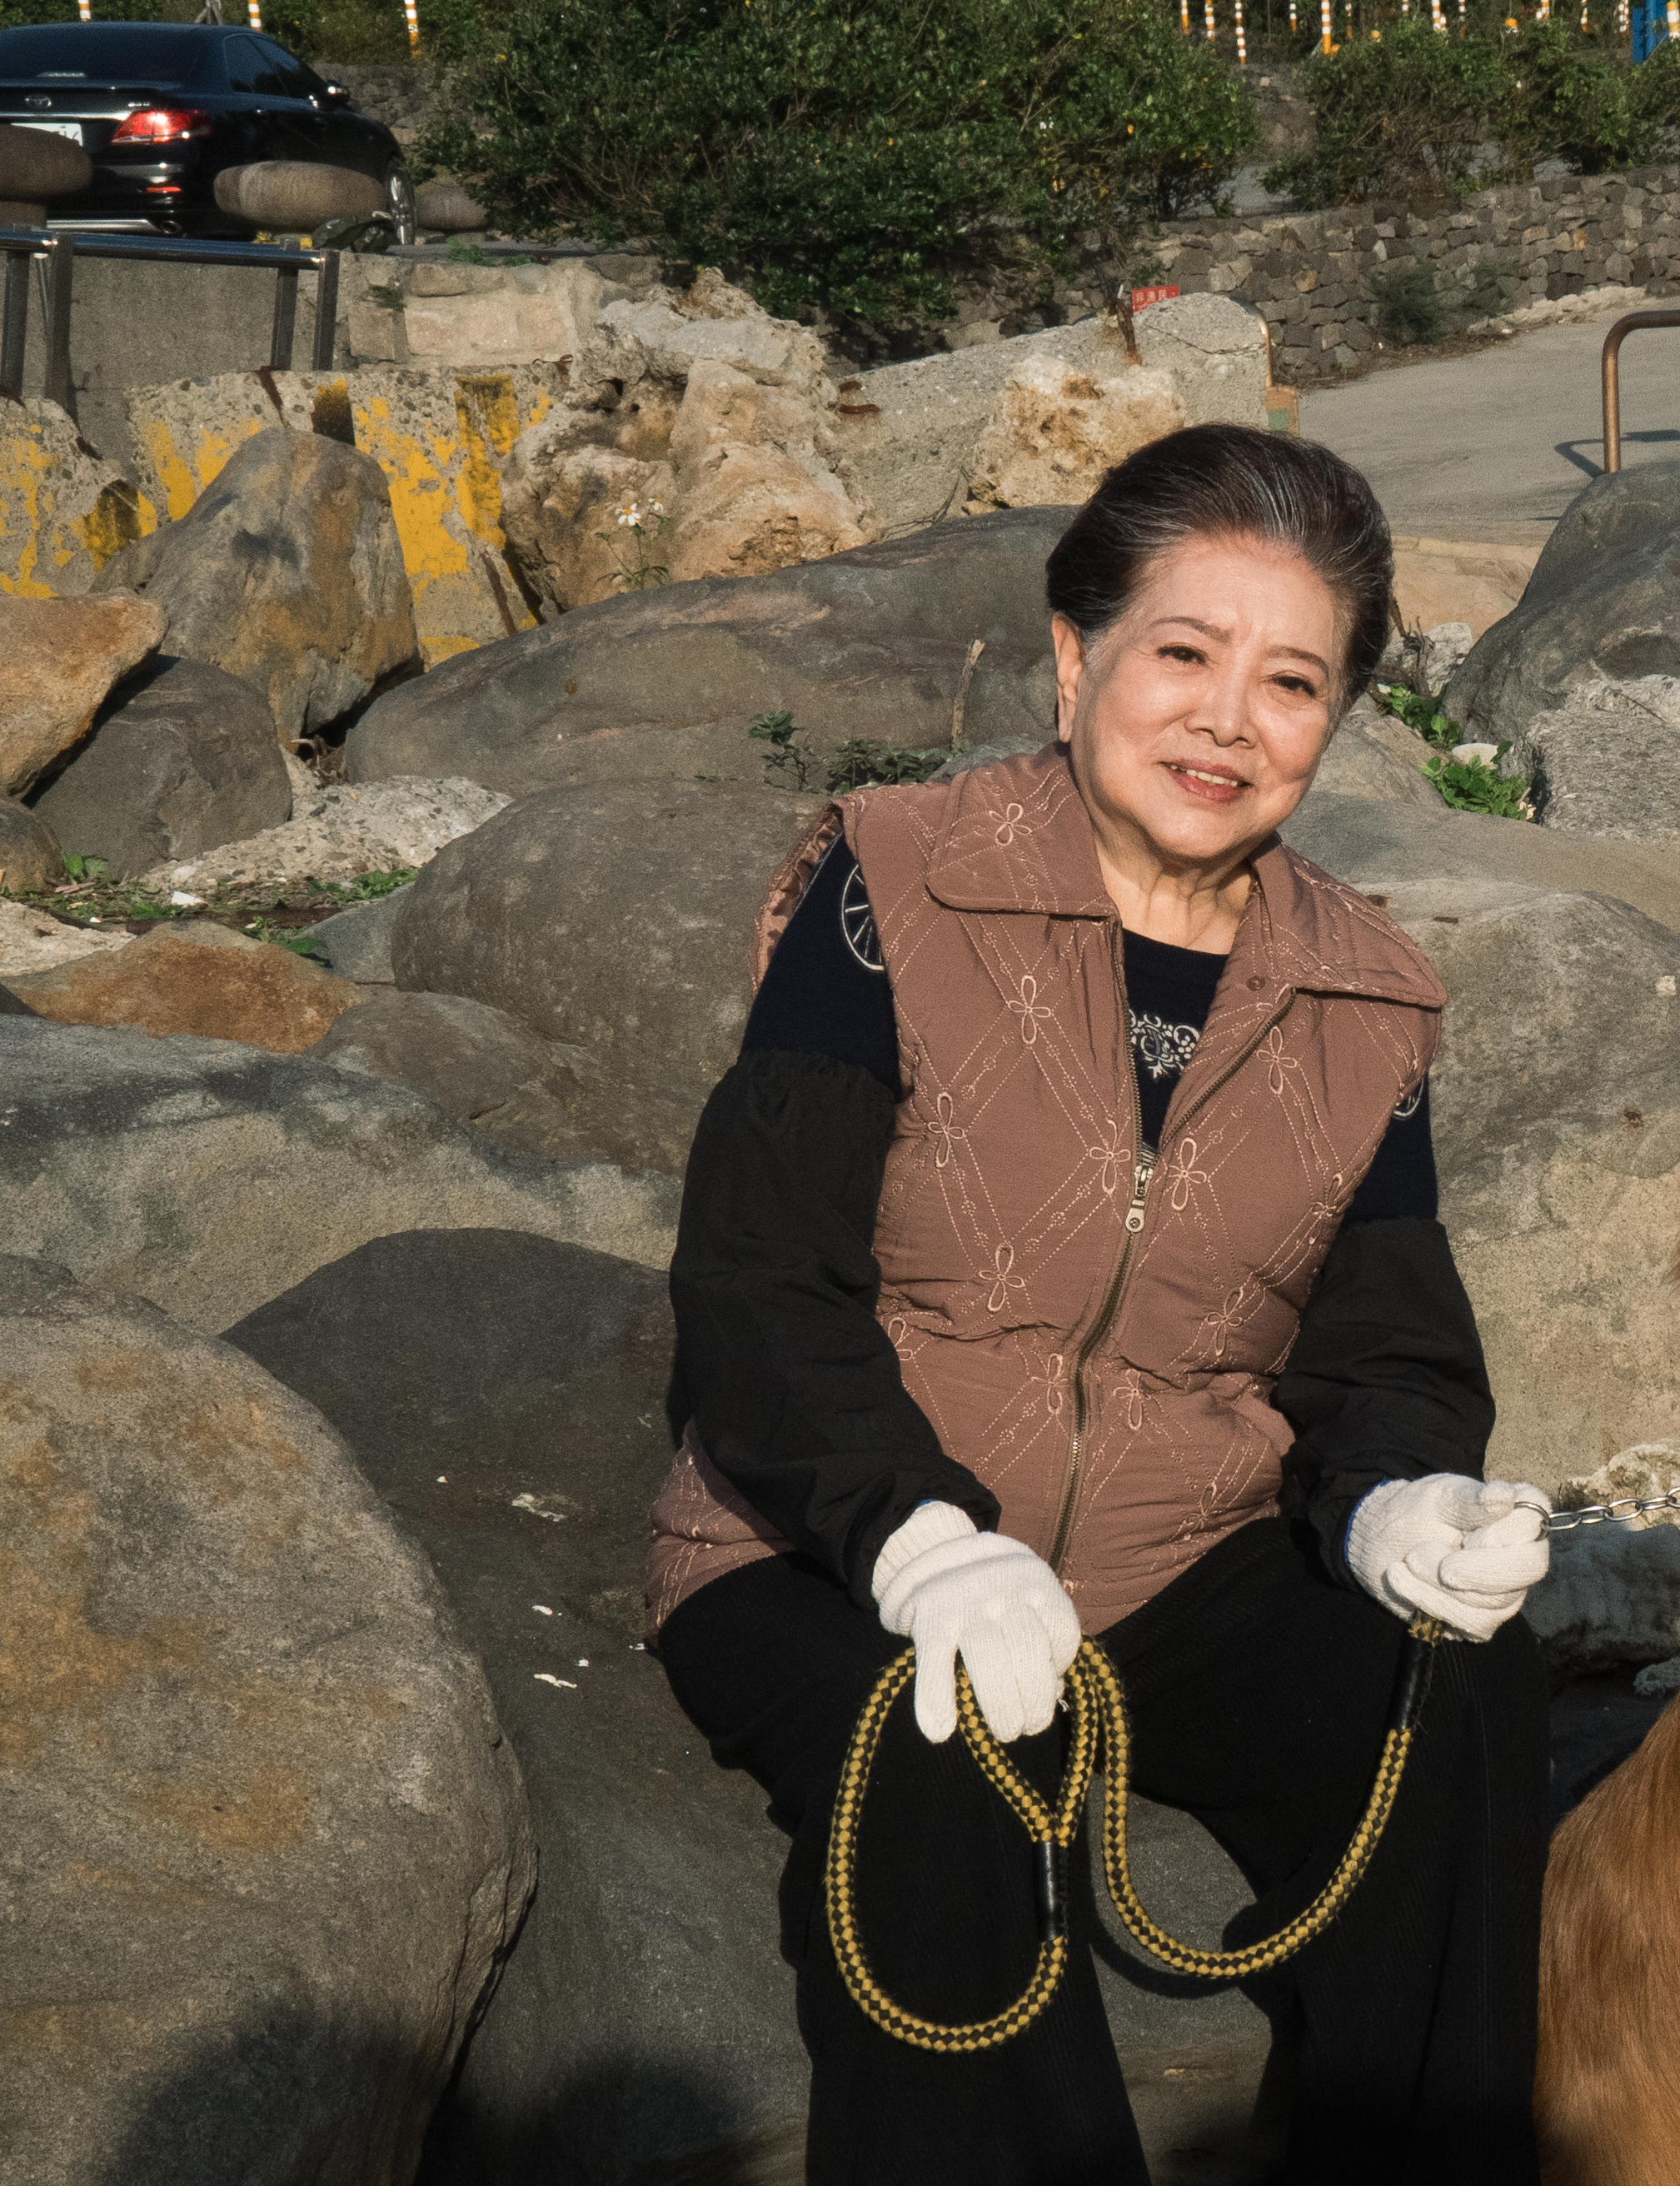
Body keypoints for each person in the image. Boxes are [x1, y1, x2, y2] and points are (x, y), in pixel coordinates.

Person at [646, 422, 1555, 2184]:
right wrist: (914, 1538)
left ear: (1334, 723)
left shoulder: (1370, 994)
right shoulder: (895, 884)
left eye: (1292, 681)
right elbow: (761, 1279)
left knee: (1454, 1685)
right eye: (1186, 656)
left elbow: (1389, 1341)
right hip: (836, 1545)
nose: (1230, 719)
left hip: (1175, 1556)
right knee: (940, 1761)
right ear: (1076, 663)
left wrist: (1398, 1497)